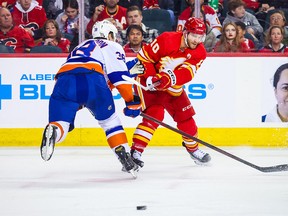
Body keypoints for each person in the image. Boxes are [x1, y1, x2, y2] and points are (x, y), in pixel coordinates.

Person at [40, 20, 141, 177]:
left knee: (61, 123)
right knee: (110, 122)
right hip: (92, 78)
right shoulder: (111, 45)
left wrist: (80, 100)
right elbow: (119, 78)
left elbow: (85, 74)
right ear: (109, 34)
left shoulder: (81, 45)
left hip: (64, 80)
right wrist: (131, 101)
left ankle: (54, 131)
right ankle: (123, 153)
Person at [130, 17, 211, 168]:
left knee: (186, 117)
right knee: (154, 115)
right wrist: (150, 78)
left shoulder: (200, 52)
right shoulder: (167, 39)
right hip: (149, 84)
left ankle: (194, 150)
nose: (196, 40)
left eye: (200, 37)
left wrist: (168, 78)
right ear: (185, 32)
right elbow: (144, 57)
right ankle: (136, 152)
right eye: (193, 35)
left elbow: (187, 73)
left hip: (173, 87)